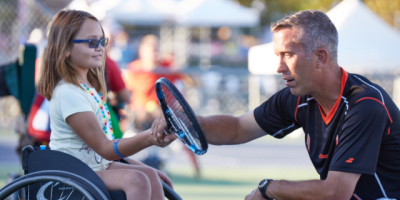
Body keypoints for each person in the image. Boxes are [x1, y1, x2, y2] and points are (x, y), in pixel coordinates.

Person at [152, 10, 400, 200]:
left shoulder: (364, 105)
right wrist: (189, 122)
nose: (279, 67)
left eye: (288, 55)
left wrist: (270, 188)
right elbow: (238, 127)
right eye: (278, 56)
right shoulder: (297, 96)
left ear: (320, 58)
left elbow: (335, 192)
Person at [37, 10, 173, 200]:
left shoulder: (87, 88)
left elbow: (103, 157)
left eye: (103, 41)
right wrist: (149, 138)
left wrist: (146, 168)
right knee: (138, 180)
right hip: (72, 174)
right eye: (92, 42)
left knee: (149, 176)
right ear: (66, 48)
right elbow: (105, 148)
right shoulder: (68, 93)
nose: (100, 47)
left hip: (93, 168)